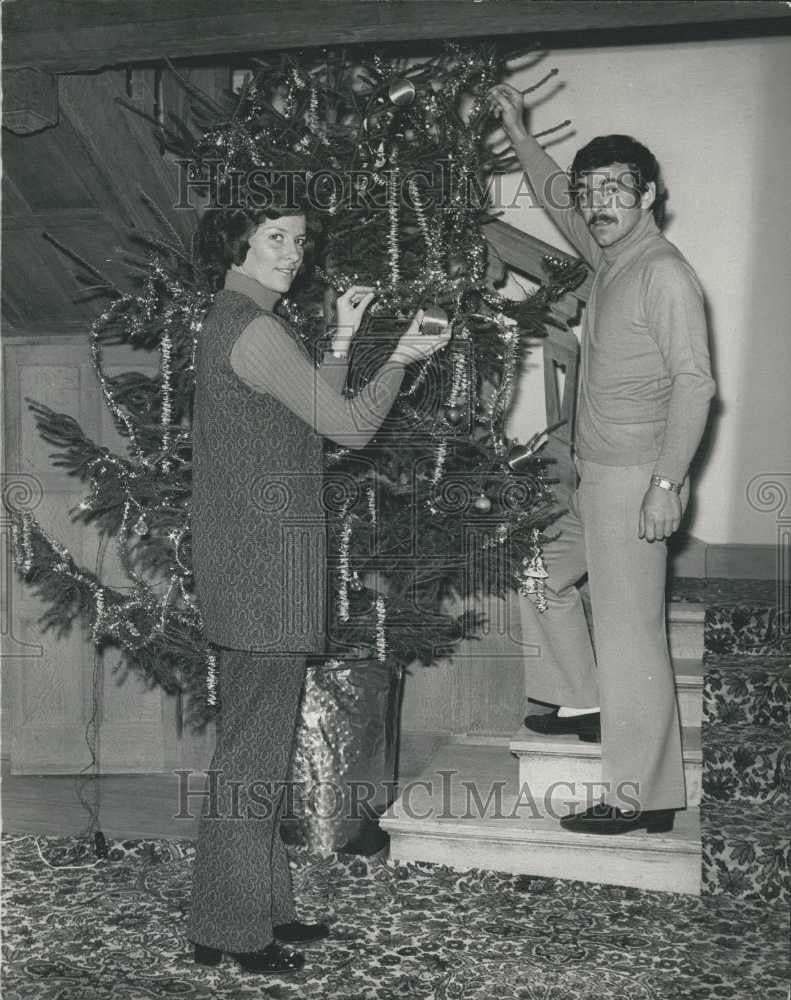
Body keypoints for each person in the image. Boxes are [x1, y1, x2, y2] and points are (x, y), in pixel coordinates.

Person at [188, 195, 449, 974]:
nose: (291, 253)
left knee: (253, 746)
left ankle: (246, 911)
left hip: (250, 562)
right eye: (275, 238)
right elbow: (347, 427)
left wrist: (340, 334)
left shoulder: (237, 321)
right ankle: (234, 932)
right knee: (253, 754)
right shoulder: (256, 328)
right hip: (262, 567)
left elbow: (305, 416)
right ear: (238, 243)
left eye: (299, 240)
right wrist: (399, 358)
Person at [488, 84, 715, 835]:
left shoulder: (663, 273)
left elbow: (695, 383)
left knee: (630, 636)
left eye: (614, 188)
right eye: (591, 193)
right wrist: (517, 132)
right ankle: (581, 698)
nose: (596, 203)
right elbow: (554, 198)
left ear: (647, 194)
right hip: (587, 475)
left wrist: (664, 484)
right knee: (537, 573)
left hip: (633, 483)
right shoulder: (608, 255)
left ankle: (641, 796)